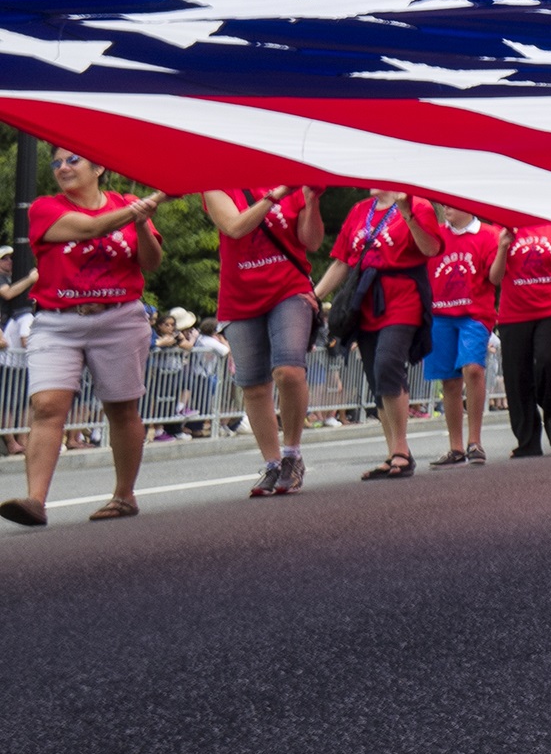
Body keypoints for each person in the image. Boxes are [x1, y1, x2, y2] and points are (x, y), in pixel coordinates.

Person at [0, 150, 164, 527]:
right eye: (56, 163)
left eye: (73, 160)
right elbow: (92, 228)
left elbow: (151, 262)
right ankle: (35, 501)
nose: (63, 168)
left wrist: (142, 221)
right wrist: (150, 202)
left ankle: (124, 496)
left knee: (122, 408)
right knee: (46, 405)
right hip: (58, 322)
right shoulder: (44, 208)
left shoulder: (127, 204)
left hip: (120, 317)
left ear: (99, 166)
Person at [201, 185, 326, 497]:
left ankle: (292, 454)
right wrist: (275, 196)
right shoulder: (217, 187)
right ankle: (271, 463)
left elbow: (311, 241)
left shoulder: (291, 183)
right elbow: (234, 227)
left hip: (288, 289)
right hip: (239, 296)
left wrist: (311, 202)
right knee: (254, 385)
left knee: (289, 370)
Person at [314, 189, 444, 479]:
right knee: (375, 376)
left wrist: (407, 213)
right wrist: (313, 296)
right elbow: (342, 262)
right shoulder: (360, 210)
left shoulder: (418, 205)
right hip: (366, 300)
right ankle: (394, 453)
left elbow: (431, 248)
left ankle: (401, 450)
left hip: (403, 297)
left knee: (388, 364)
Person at [420, 205, 500, 467]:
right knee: (449, 381)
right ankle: (456, 446)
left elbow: (495, 277)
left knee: (473, 368)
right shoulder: (436, 236)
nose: (445, 209)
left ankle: (474, 441)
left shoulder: (488, 235)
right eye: (442, 204)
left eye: (450, 203)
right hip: (441, 314)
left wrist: (505, 249)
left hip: (474, 314)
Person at [490, 219, 551, 455]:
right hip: (514, 314)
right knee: (517, 378)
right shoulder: (501, 227)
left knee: (550, 362)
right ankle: (527, 440)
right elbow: (495, 279)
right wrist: (503, 247)